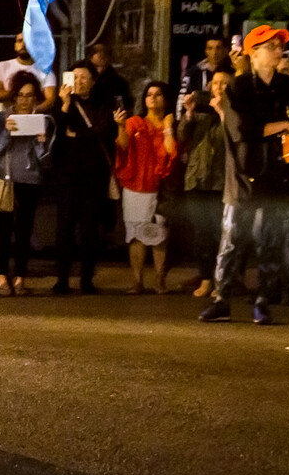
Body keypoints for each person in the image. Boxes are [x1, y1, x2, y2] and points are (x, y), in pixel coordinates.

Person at [200, 25, 289, 325]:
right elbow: (242, 130)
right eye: (271, 46)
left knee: (270, 241)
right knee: (232, 240)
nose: (278, 51)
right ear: (253, 54)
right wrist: (284, 125)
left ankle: (262, 300)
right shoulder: (239, 88)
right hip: (243, 177)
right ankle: (222, 299)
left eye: (279, 46)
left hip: (277, 176)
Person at [51, 60, 118, 295]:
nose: (78, 82)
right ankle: (62, 279)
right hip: (66, 175)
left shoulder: (103, 102)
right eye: (75, 77)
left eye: (84, 78)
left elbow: (103, 130)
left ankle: (87, 279)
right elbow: (56, 131)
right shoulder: (64, 103)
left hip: (93, 174)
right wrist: (66, 105)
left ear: (93, 80)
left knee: (90, 228)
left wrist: (76, 133)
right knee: (64, 227)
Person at [0, 74, 52, 296]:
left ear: (36, 98)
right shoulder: (1, 117)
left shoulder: (42, 120)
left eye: (29, 96)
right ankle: (1, 276)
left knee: (25, 230)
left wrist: (40, 141)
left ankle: (20, 277)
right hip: (5, 178)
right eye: (20, 96)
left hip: (30, 180)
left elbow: (45, 160)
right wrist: (7, 131)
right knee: (3, 230)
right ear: (14, 97)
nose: (24, 101)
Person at [114, 81, 179, 294]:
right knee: (136, 234)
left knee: (160, 234)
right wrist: (121, 126)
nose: (153, 98)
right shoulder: (135, 122)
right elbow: (122, 146)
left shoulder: (170, 125)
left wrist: (168, 127)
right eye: (149, 94)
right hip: (136, 186)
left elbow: (172, 152)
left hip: (161, 188)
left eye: (158, 94)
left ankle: (160, 281)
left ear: (166, 99)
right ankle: (137, 281)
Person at [177, 72, 231, 299]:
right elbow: (181, 137)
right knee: (201, 234)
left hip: (221, 182)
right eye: (214, 83)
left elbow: (234, 136)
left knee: (222, 234)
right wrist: (188, 113)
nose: (217, 87)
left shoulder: (233, 113)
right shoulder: (200, 116)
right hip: (196, 181)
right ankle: (206, 277)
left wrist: (222, 110)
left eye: (223, 83)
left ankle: (223, 280)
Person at [0, 33, 57, 110]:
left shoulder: (46, 71)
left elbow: (50, 101)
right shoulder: (3, 66)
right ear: (15, 46)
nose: (23, 45)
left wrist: (31, 113)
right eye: (20, 41)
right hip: (6, 118)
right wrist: (16, 91)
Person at [89, 42, 131, 111]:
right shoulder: (81, 74)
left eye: (104, 52)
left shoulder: (119, 82)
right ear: (90, 57)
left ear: (109, 57)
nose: (100, 54)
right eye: (96, 51)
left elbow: (124, 104)